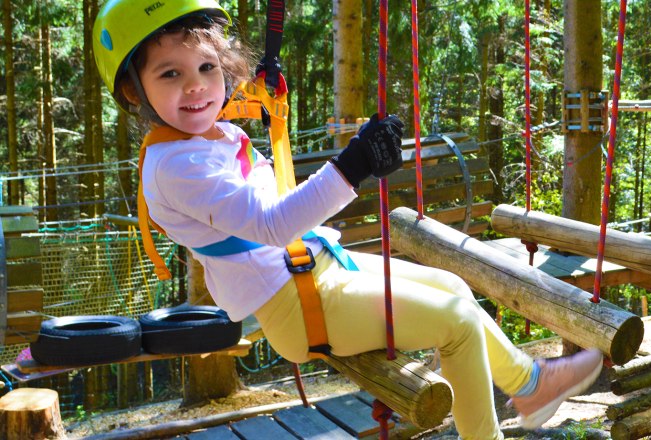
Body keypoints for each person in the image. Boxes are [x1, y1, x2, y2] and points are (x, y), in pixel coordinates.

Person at [92, 1, 603, 438]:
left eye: (207, 67)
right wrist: (352, 166)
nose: (197, 88)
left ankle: (531, 387)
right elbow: (272, 224)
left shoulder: (210, 135)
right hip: (296, 305)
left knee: (453, 288)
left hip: (316, 270)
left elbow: (269, 180)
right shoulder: (179, 167)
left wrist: (262, 104)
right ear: (136, 91)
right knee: (459, 324)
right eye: (170, 74)